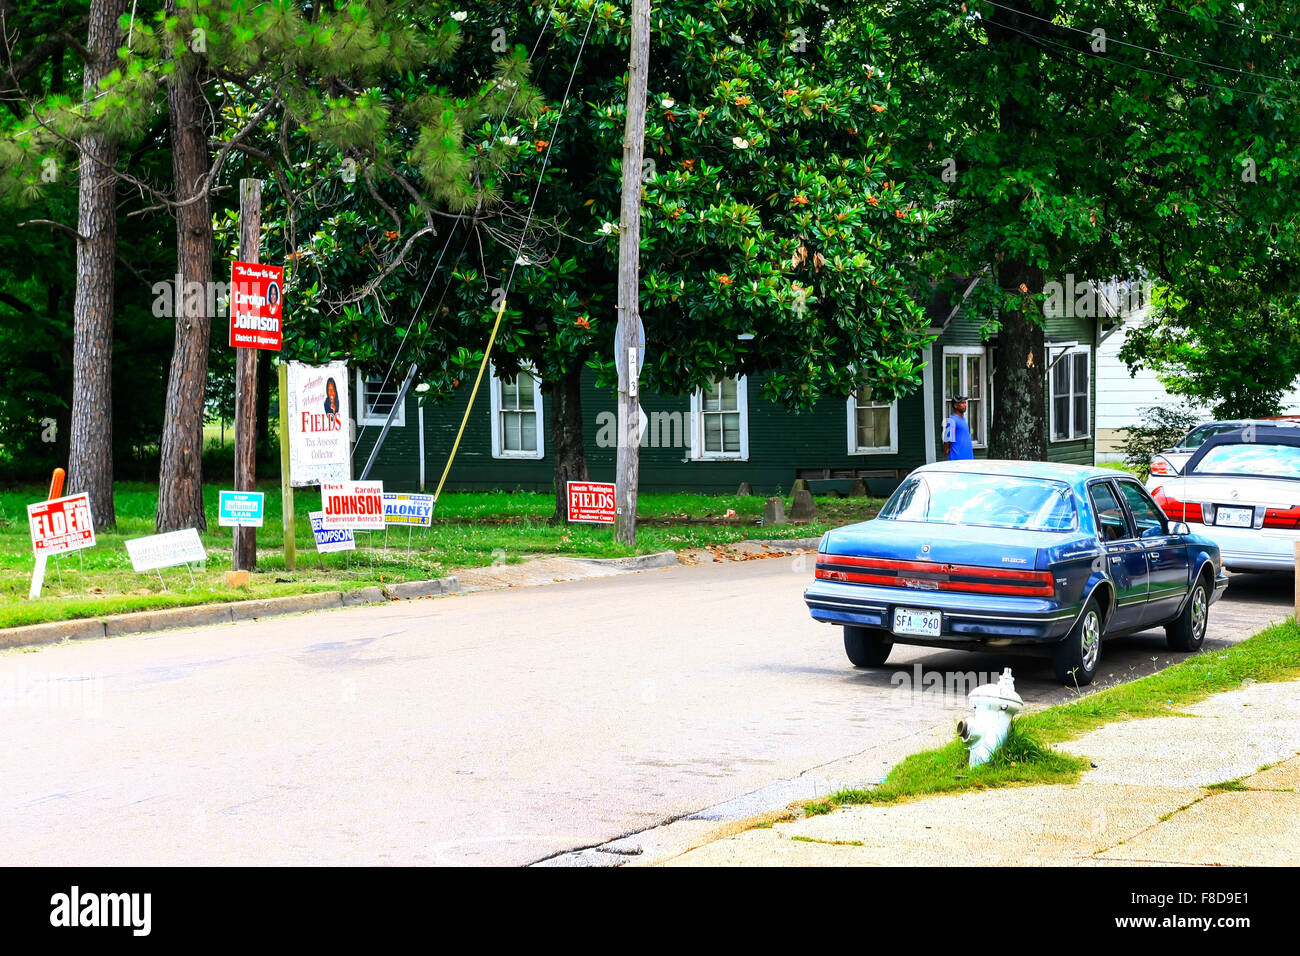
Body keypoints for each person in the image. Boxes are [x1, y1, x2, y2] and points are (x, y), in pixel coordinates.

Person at [942, 394, 974, 460]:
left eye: (965, 403)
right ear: (955, 405)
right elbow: (947, 442)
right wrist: (946, 459)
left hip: (968, 459)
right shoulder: (952, 420)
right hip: (957, 460)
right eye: (962, 403)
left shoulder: (963, 419)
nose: (965, 405)